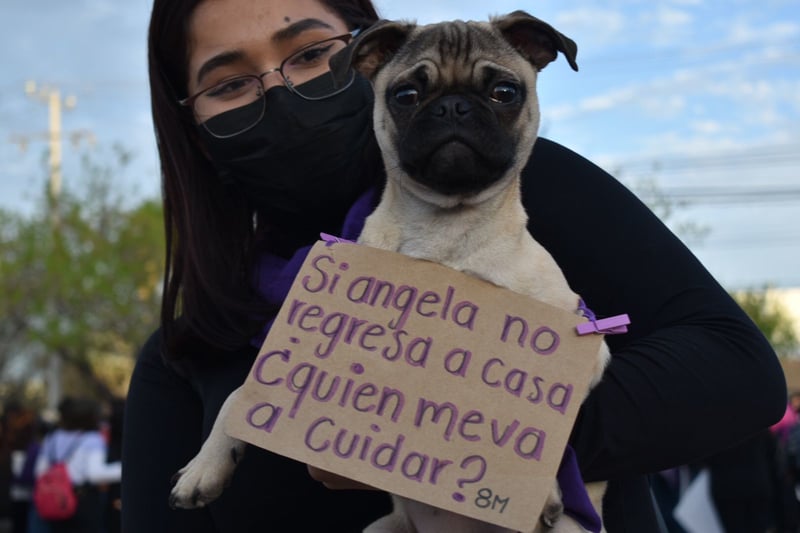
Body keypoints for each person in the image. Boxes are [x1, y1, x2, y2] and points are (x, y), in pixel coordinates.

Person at [121, 1, 788, 531]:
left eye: (311, 53)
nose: (282, 90)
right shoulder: (183, 354)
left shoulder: (537, 194)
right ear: (193, 128)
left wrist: (462, 429)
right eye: (230, 82)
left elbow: (738, 373)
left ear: (359, 53)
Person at [35, 398, 121, 533]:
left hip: (55, 501)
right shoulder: (92, 439)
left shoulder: (51, 438)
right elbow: (95, 474)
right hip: (82, 500)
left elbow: (40, 471)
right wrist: (125, 469)